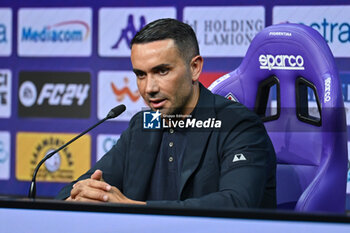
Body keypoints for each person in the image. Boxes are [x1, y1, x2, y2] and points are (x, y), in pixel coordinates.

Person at [56, 18, 276, 209]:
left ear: (195, 68)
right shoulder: (143, 125)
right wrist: (79, 197)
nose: (149, 87)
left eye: (162, 71)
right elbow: (72, 190)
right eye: (141, 74)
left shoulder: (238, 125)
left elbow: (237, 203)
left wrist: (131, 208)